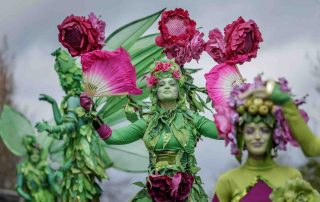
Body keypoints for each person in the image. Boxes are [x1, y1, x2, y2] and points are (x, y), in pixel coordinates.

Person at [81, 61, 220, 202]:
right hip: (156, 193)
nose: (166, 87)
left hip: (186, 193)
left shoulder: (192, 120)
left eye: (172, 84)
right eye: (161, 84)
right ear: (155, 91)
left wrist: (238, 108)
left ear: (179, 90)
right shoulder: (147, 122)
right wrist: (92, 113)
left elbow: (222, 131)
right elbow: (112, 137)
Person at [35, 49, 112, 202]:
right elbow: (62, 123)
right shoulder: (77, 97)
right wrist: (53, 104)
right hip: (78, 153)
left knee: (79, 191)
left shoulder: (73, 99)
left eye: (62, 78)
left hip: (80, 154)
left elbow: (69, 127)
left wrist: (49, 128)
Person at [212, 75, 304, 202]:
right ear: (241, 134)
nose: (257, 137)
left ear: (275, 133)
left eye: (264, 130)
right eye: (250, 131)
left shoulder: (293, 177)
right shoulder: (227, 181)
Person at [16, 135, 58, 202]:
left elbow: (51, 182)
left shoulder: (45, 167)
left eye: (37, 154)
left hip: (47, 198)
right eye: (32, 154)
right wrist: (27, 197)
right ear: (29, 155)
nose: (35, 156)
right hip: (32, 197)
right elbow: (18, 187)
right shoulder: (23, 168)